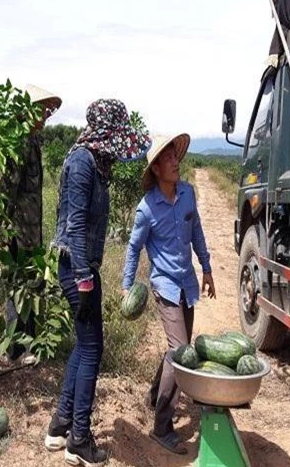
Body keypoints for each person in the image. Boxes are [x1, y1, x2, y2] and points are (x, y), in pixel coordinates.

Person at [45, 99, 151, 467]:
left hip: (82, 268)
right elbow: (74, 224)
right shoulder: (81, 163)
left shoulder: (94, 162)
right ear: (105, 133)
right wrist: (86, 283)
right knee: (93, 348)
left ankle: (60, 424)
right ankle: (79, 439)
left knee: (84, 343)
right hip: (76, 269)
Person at [121, 133, 215, 455]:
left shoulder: (187, 194)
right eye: (168, 158)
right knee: (181, 351)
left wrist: (207, 268)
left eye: (176, 156)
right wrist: (126, 286)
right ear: (157, 169)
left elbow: (198, 232)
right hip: (164, 285)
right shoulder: (146, 208)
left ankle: (153, 396)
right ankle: (162, 426)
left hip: (187, 283)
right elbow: (133, 248)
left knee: (177, 349)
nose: (176, 162)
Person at [0, 84, 61, 365]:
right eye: (42, 109)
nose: (46, 115)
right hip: (17, 233)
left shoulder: (33, 141)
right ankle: (16, 348)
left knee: (32, 287)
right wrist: (2, 230)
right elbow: (7, 192)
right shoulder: (19, 143)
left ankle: (32, 345)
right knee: (17, 289)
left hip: (31, 232)